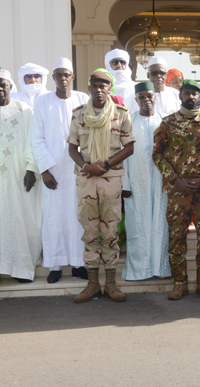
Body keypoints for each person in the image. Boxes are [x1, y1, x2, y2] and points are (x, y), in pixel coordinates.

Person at [153, 79, 200, 300]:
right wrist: (175, 179)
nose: (191, 97)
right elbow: (157, 155)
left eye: (195, 94)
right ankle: (180, 283)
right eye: (187, 93)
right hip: (178, 191)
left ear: (199, 97)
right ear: (180, 96)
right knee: (177, 239)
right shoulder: (167, 124)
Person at [68, 71, 135, 303]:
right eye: (95, 85)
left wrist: (105, 165)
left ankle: (112, 284)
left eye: (103, 85)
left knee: (110, 231)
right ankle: (93, 284)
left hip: (111, 178)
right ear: (89, 87)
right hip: (87, 179)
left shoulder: (120, 114)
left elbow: (129, 147)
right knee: (89, 231)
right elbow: (72, 149)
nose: (99, 89)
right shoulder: (78, 115)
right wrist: (87, 167)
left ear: (110, 88)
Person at [30, 58, 89, 283]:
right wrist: (44, 170)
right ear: (53, 78)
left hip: (78, 168)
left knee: (77, 216)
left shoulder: (83, 99)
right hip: (53, 170)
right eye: (58, 75)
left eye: (67, 75)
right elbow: (36, 138)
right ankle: (54, 266)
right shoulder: (42, 101)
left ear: (73, 77)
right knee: (53, 217)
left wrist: (86, 164)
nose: (63, 79)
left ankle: (77, 263)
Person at [0, 70, 42, 285]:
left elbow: (32, 140)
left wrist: (30, 169)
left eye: (4, 84)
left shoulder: (24, 109)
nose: (0, 88)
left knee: (19, 218)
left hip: (18, 175)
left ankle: (20, 267)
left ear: (10, 86)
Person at [122, 82, 171, 281]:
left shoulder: (165, 122)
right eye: (141, 97)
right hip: (136, 183)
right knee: (138, 225)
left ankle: (160, 268)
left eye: (149, 96)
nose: (146, 100)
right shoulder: (129, 123)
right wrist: (124, 184)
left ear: (155, 97)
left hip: (161, 183)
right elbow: (122, 155)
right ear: (136, 100)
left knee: (160, 224)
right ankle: (138, 270)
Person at [105, 49, 138, 114]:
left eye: (122, 62)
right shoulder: (101, 88)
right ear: (109, 65)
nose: (119, 65)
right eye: (115, 62)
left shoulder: (135, 87)